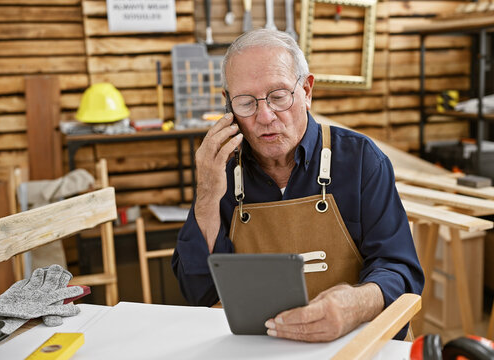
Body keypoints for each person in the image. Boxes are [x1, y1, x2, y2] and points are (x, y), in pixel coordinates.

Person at [172, 29, 424, 342]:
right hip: (257, 347)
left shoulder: (361, 161)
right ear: (228, 105)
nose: (265, 116)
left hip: (352, 345)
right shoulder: (220, 169)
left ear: (306, 90)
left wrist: (355, 305)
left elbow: (400, 271)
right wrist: (208, 196)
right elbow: (200, 293)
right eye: (246, 102)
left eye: (278, 96)